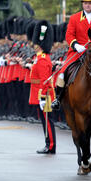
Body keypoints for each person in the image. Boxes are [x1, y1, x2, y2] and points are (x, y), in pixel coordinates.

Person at [29, 21, 56, 154]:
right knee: (44, 120)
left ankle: (50, 145)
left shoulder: (43, 59)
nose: (34, 46)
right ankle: (48, 143)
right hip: (39, 93)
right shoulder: (39, 58)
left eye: (36, 44)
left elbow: (45, 80)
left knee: (47, 120)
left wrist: (43, 97)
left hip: (43, 94)